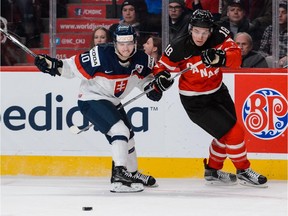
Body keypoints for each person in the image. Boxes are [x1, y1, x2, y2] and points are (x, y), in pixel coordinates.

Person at [34, 24, 162, 193]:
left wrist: (152, 88)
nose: (125, 48)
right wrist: (53, 65)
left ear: (135, 42)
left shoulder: (142, 59)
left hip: (112, 101)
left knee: (128, 137)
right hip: (91, 99)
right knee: (120, 131)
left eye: (129, 43)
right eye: (121, 43)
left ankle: (132, 173)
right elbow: (70, 67)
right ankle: (119, 176)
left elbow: (145, 80)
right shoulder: (100, 54)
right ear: (114, 43)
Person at [151, 9, 268, 187]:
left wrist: (221, 57)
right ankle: (243, 170)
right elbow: (160, 67)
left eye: (205, 32)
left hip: (218, 91)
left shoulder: (220, 35)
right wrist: (160, 80)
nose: (200, 36)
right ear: (191, 28)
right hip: (195, 101)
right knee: (235, 133)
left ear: (211, 30)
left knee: (226, 136)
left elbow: (236, 59)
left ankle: (212, 170)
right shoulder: (179, 45)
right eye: (197, 31)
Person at [259, 1, 288, 68]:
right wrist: (272, 58)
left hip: (286, 60)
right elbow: (262, 51)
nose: (280, 15)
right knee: (267, 60)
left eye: (283, 12)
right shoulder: (269, 29)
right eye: (277, 12)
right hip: (272, 60)